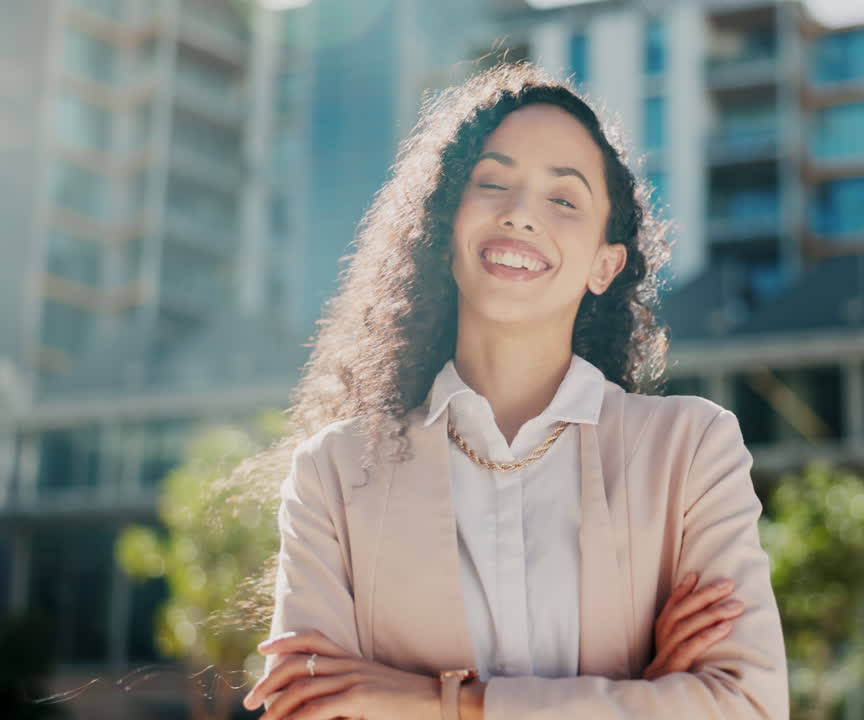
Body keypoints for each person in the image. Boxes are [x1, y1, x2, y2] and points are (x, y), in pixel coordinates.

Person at [239, 63, 788, 719]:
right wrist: (642, 695)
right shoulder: (334, 473)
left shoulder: (690, 450)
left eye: (564, 200)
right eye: (493, 183)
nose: (521, 214)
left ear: (605, 265)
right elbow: (308, 710)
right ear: (446, 231)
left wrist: (441, 704)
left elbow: (748, 706)